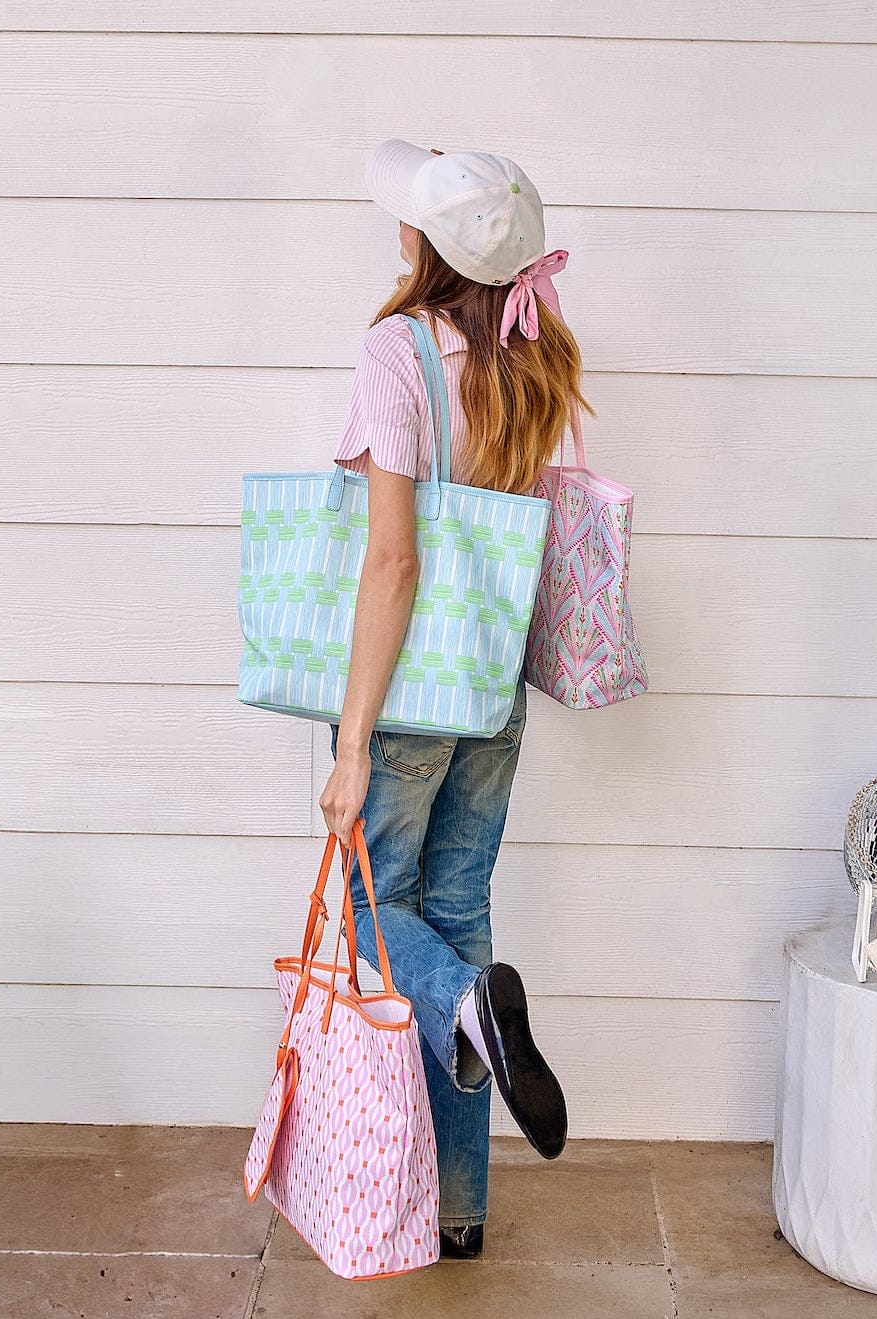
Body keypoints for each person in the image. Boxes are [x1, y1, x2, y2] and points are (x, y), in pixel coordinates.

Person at [317, 138, 595, 1260]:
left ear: (421, 245)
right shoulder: (533, 352)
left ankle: (474, 1013)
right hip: (492, 690)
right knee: (460, 917)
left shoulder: (397, 350)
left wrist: (349, 743)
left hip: (409, 693)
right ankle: (459, 1209)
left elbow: (393, 560)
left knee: (373, 914)